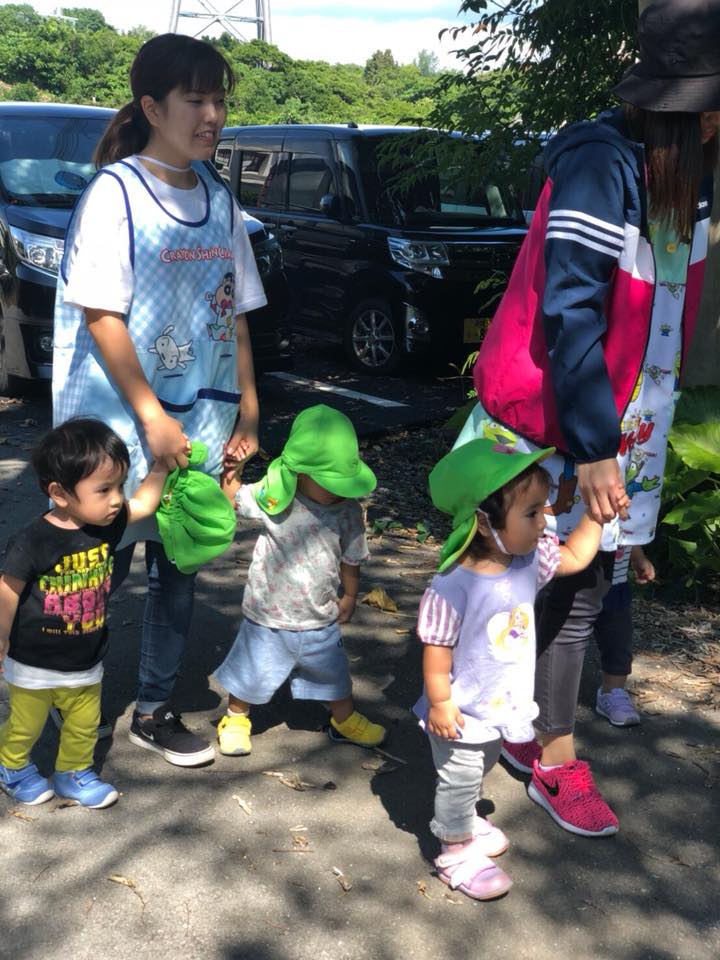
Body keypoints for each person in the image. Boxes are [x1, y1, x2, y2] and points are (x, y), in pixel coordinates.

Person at [456, 0, 720, 835]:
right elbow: (571, 312)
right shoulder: (603, 166)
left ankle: (517, 721)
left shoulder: (687, 172)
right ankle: (552, 758)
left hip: (631, 422)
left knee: (571, 585)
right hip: (572, 423)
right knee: (570, 592)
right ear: (689, 109)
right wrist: (599, 449)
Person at [52, 34, 267, 767]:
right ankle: (58, 712)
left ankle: (153, 709)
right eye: (195, 100)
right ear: (151, 107)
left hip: (197, 426)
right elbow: (101, 317)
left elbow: (235, 314)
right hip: (120, 429)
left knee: (178, 573)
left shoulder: (219, 199)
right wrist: (151, 418)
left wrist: (248, 410)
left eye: (219, 101)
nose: (213, 116)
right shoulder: (115, 195)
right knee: (91, 577)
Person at [413, 440, 603, 902]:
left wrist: (598, 517)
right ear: (483, 522)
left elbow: (575, 557)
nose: (543, 523)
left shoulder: (528, 562)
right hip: (459, 712)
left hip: (501, 705)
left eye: (542, 511)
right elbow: (436, 647)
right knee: (459, 779)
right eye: (532, 513)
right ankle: (455, 850)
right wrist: (440, 701)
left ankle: (466, 817)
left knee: (484, 764)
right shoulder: (452, 585)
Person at [0, 420, 167, 808]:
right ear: (59, 493)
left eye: (119, 487)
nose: (116, 499)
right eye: (104, 489)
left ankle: (73, 773)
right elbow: (8, 588)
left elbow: (144, 505)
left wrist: (160, 467)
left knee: (84, 724)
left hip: (86, 657)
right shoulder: (34, 540)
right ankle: (11, 765)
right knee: (26, 724)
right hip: (34, 660)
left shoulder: (106, 525)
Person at [213, 405, 386, 756]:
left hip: (319, 615)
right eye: (331, 482)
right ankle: (236, 718)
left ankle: (343, 719)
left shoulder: (348, 511)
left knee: (335, 675)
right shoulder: (277, 497)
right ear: (301, 472)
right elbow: (234, 501)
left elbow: (351, 559)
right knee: (250, 672)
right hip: (267, 615)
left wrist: (350, 595)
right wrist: (232, 470)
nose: (339, 491)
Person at [594, 544, 655, 727]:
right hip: (567, 577)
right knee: (560, 639)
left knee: (618, 639)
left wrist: (637, 557)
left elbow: (628, 532)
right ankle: (548, 690)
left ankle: (613, 691)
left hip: (614, 580)